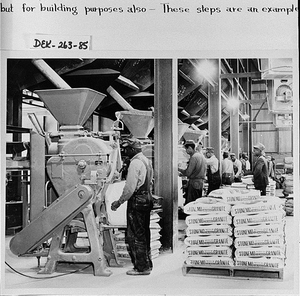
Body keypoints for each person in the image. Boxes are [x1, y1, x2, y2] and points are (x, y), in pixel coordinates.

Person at [111, 138, 153, 276]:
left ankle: (141, 268)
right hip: (147, 197)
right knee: (144, 233)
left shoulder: (135, 162)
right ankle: (147, 263)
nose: (125, 151)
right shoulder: (146, 161)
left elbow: (130, 188)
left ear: (133, 149)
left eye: (127, 149)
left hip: (137, 200)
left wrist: (119, 202)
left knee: (135, 235)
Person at [178, 140, 207, 204]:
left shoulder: (194, 157)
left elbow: (188, 173)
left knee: (191, 204)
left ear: (190, 148)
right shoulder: (201, 156)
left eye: (186, 149)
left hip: (194, 183)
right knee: (197, 203)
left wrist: (178, 169)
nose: (186, 151)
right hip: (200, 183)